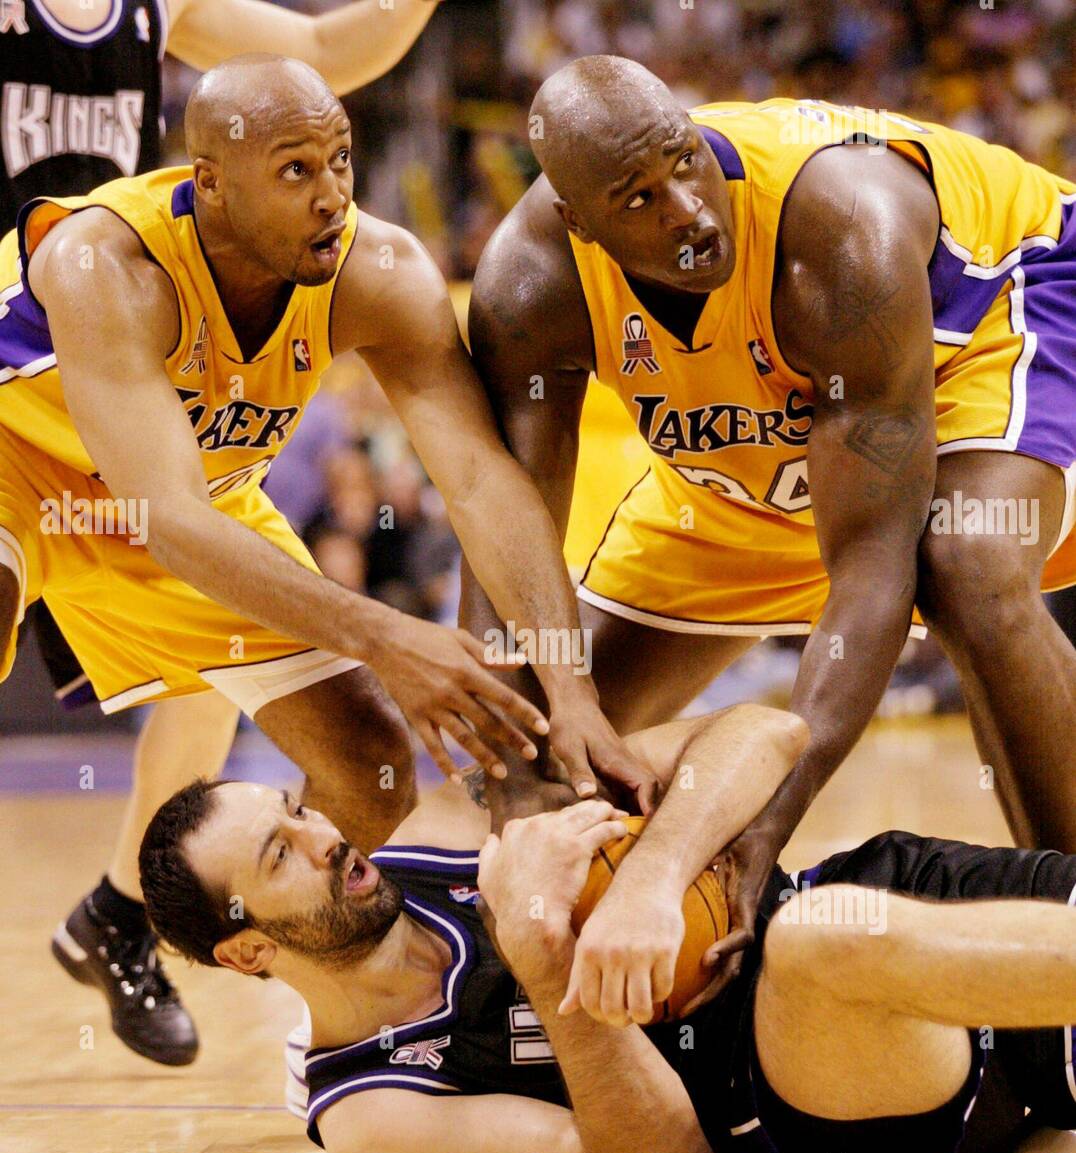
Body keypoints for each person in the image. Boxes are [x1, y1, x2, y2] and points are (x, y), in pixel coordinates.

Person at [0, 55, 654, 1054]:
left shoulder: (377, 271)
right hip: (27, 470)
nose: (333, 194)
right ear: (210, 182)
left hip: (193, 498)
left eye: (341, 160)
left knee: (374, 774)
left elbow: (479, 480)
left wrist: (567, 685)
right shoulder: (106, 260)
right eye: (296, 169)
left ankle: (169, 936)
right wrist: (390, 638)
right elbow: (166, 517)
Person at [463, 55, 1076, 976]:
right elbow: (504, 525)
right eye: (637, 201)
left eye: (684, 162)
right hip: (766, 445)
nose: (687, 210)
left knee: (962, 564)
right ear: (576, 223)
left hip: (992, 312)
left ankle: (1068, 919)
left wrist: (769, 821)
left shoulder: (839, 228)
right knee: (550, 739)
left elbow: (875, 565)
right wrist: (529, 753)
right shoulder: (527, 287)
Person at [2, 0, 448, 1065]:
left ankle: (123, 914)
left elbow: (330, 53)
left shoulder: (161, 7)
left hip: (136, 390)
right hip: (23, 384)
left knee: (303, 725)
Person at [138, 705, 1076, 1153]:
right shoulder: (373, 1122)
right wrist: (548, 969)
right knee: (819, 940)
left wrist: (651, 877)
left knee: (849, 910)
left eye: (297, 814)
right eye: (279, 857)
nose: (326, 840)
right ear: (250, 948)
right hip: (825, 1106)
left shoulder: (468, 829)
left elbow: (765, 734)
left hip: (890, 896)